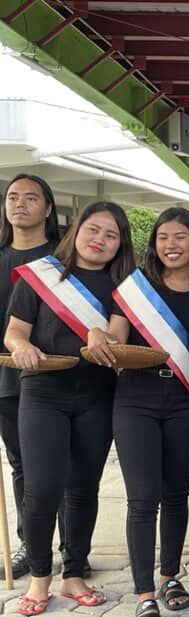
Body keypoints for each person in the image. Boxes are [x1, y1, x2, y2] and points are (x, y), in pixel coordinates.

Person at [5, 200, 135, 615]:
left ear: (120, 245)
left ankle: (73, 572)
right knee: (42, 489)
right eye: (93, 229)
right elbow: (14, 333)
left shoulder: (122, 286)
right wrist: (23, 348)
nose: (100, 240)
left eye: (111, 235)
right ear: (76, 230)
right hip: (43, 394)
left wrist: (100, 333)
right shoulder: (40, 277)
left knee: (82, 489)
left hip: (96, 396)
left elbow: (115, 340)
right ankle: (41, 577)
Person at [85, 208, 189, 617]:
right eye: (162, 238)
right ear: (153, 244)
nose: (170, 245)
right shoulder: (135, 290)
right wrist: (98, 336)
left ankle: (170, 575)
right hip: (135, 399)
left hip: (184, 399)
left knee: (176, 494)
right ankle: (143, 595)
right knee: (142, 499)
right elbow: (116, 339)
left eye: (180, 237)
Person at [0, 174, 62, 581]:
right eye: (12, 196)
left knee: (69, 468)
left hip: (61, 377)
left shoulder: (64, 258)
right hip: (7, 380)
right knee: (23, 464)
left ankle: (75, 550)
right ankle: (31, 544)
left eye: (31, 197)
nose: (20, 203)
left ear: (48, 208)